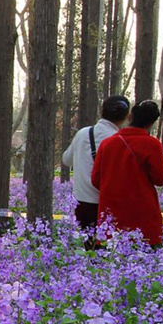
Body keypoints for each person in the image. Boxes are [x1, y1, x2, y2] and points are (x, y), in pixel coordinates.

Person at [91, 100, 163, 246]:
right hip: (143, 212)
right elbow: (160, 179)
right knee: (144, 254)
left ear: (130, 116)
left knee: (110, 257)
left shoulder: (107, 144)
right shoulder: (153, 144)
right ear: (151, 123)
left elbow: (95, 179)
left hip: (111, 211)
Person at [62, 96, 131, 242]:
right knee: (107, 251)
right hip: (107, 205)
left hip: (81, 204)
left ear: (102, 111)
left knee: (88, 248)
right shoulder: (120, 140)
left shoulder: (82, 133)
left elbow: (66, 160)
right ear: (126, 117)